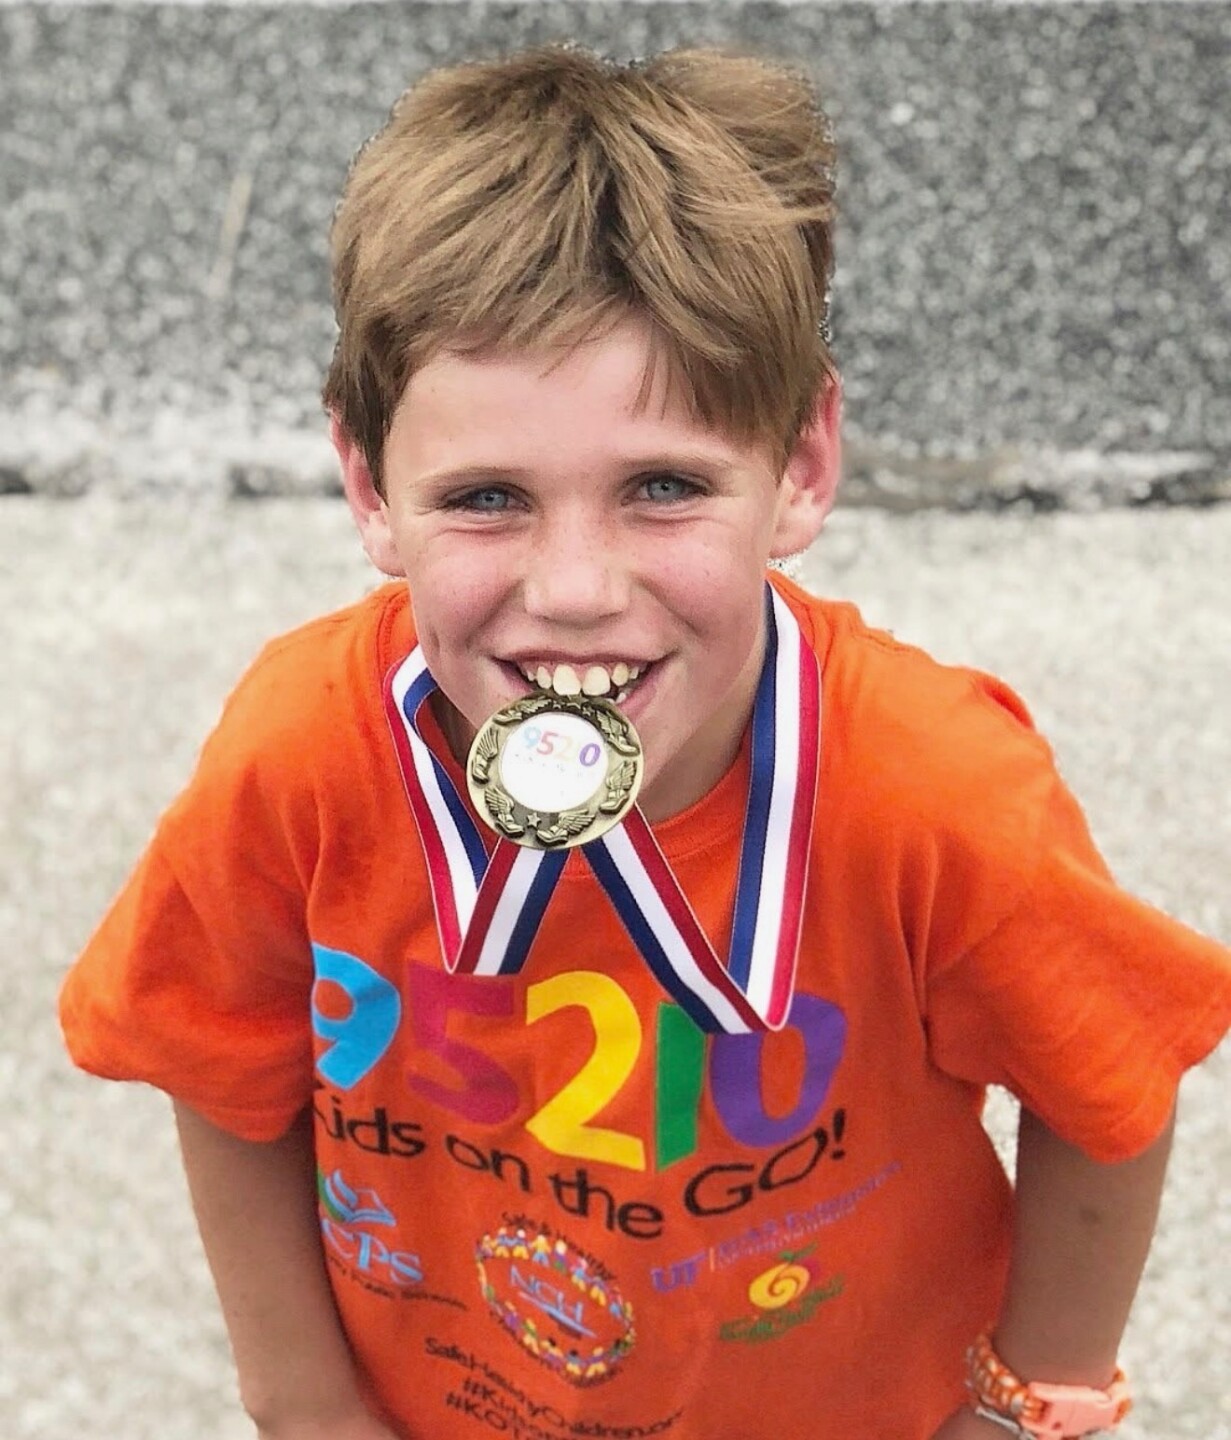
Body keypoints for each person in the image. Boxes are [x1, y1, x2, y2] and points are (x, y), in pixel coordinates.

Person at [60, 42, 1230, 1440]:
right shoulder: (300, 754)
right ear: (369, 489)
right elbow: (219, 1068)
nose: (573, 588)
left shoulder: (934, 792)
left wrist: (1028, 1405)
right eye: (487, 497)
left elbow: (1109, 1088)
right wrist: (307, 1408)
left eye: (664, 486)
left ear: (801, 466)